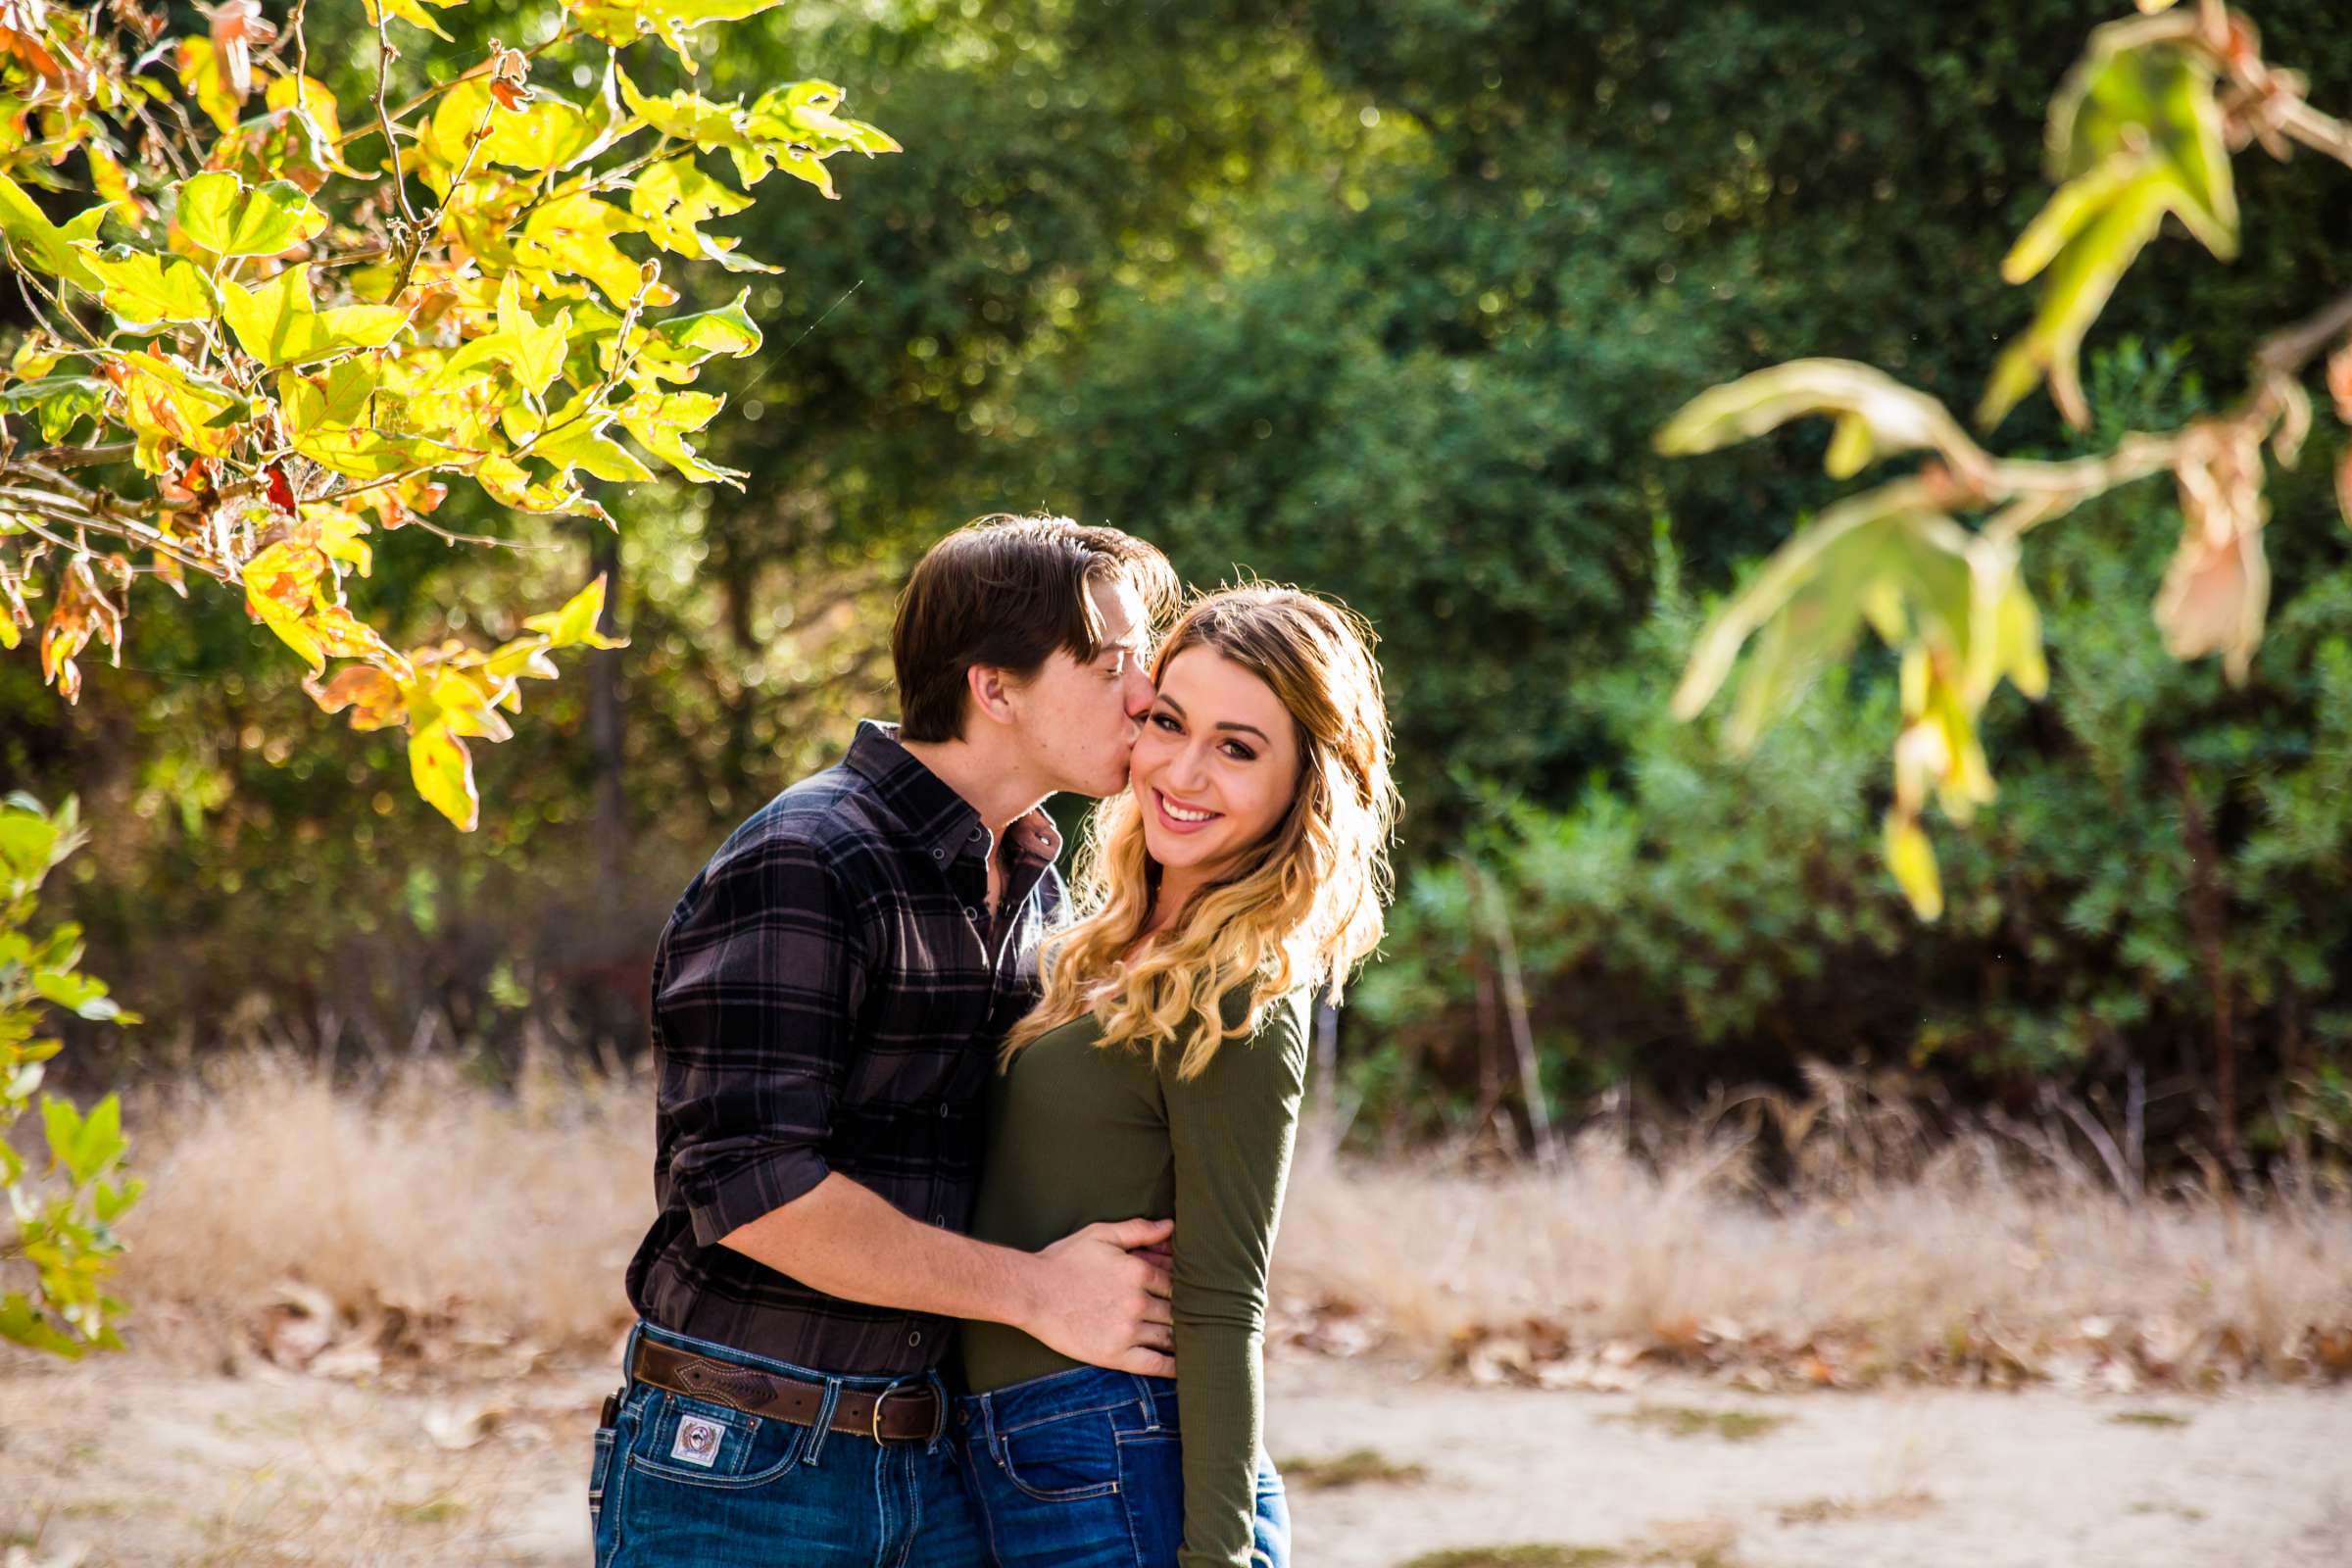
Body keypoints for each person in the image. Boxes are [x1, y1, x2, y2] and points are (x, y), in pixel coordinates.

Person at [592, 514, 1183, 1568]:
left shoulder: (1037, 883)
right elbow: (748, 1187)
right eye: (1109, 666)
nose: (1145, 694)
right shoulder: (809, 856)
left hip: (940, 1462)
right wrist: (1039, 1292)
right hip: (750, 1466)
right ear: (993, 689)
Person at [955, 584, 1401, 1568]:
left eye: (1238, 748)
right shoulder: (1089, 945)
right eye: (1168, 722)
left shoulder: (1236, 989)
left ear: (1303, 783)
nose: (1184, 771)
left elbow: (1222, 1299)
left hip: (1119, 1457)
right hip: (1009, 1456)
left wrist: (1221, 1558)